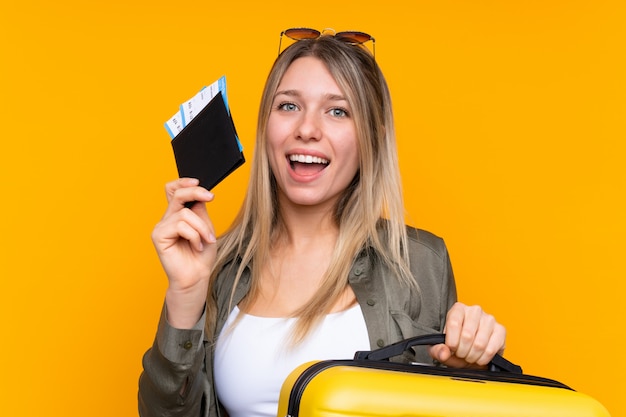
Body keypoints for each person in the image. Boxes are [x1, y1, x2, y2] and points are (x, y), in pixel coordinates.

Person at [138, 28, 507, 417]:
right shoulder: (220, 272)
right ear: (266, 129)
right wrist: (186, 292)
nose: (307, 130)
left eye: (337, 111)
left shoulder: (420, 261)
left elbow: (460, 405)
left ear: (371, 141)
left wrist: (475, 365)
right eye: (288, 106)